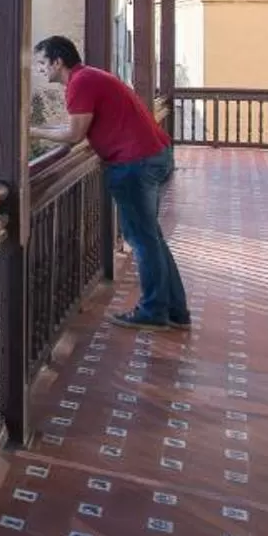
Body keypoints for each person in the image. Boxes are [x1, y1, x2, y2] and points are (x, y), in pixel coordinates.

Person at [30, 35, 188, 329]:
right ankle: (176, 311)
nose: (40, 70)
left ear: (57, 62)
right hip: (151, 155)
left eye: (42, 63)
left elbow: (74, 134)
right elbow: (78, 125)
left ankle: (154, 311)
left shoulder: (79, 83)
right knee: (150, 237)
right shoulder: (89, 76)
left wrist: (32, 132)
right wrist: (40, 128)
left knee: (142, 239)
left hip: (134, 163)